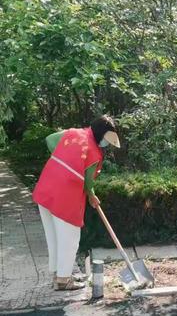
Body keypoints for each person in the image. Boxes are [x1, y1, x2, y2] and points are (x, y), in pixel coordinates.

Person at [32, 115, 120, 291]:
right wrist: (92, 195)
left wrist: (63, 159)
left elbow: (50, 139)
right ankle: (64, 280)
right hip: (65, 197)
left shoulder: (73, 133)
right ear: (101, 135)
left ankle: (58, 275)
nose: (106, 144)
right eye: (106, 140)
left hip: (46, 189)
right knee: (69, 239)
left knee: (54, 237)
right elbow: (88, 183)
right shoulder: (94, 152)